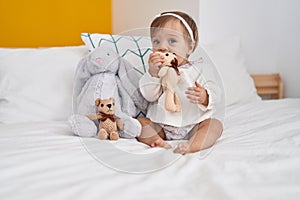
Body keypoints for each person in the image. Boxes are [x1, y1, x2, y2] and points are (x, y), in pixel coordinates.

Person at [137, 11, 225, 155]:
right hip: (162, 124)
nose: (162, 47)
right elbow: (149, 96)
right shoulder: (159, 71)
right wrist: (152, 73)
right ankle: (157, 140)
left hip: (194, 123)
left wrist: (205, 97)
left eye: (172, 41)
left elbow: (216, 92)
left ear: (190, 47)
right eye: (156, 41)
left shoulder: (199, 70)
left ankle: (192, 145)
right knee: (141, 123)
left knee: (215, 125)